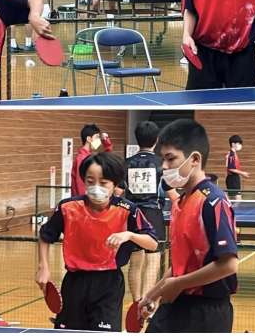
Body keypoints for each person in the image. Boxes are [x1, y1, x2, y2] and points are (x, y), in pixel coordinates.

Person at [36, 152, 158, 332]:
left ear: (115, 184)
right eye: (90, 181)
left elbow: (153, 243)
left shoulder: (127, 210)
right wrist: (43, 267)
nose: (96, 187)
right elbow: (45, 235)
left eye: (103, 182)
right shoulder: (68, 207)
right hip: (75, 282)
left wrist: (129, 235)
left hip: (109, 285)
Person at [139, 119, 238, 333]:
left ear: (194, 159)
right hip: (178, 303)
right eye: (163, 159)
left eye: (171, 158)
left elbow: (229, 265)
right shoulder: (181, 202)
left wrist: (178, 284)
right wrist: (152, 295)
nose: (164, 166)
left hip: (207, 313)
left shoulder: (213, 201)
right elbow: (181, 265)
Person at [122, 121, 178, 303]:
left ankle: (136, 301)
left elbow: (117, 192)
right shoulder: (161, 164)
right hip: (153, 214)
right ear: (156, 140)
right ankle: (147, 302)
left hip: (132, 215)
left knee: (135, 260)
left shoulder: (126, 164)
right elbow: (173, 195)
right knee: (153, 259)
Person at [71, 124, 113, 196]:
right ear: (89, 139)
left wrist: (106, 141)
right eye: (97, 137)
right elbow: (80, 184)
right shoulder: (82, 158)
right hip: (83, 200)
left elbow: (108, 158)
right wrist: (84, 200)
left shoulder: (88, 156)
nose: (99, 141)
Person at [225, 135, 250, 200]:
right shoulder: (231, 154)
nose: (240, 145)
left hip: (234, 178)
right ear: (233, 144)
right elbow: (231, 168)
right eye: (238, 143)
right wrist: (242, 173)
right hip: (232, 178)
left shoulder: (233, 153)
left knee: (236, 199)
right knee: (238, 199)